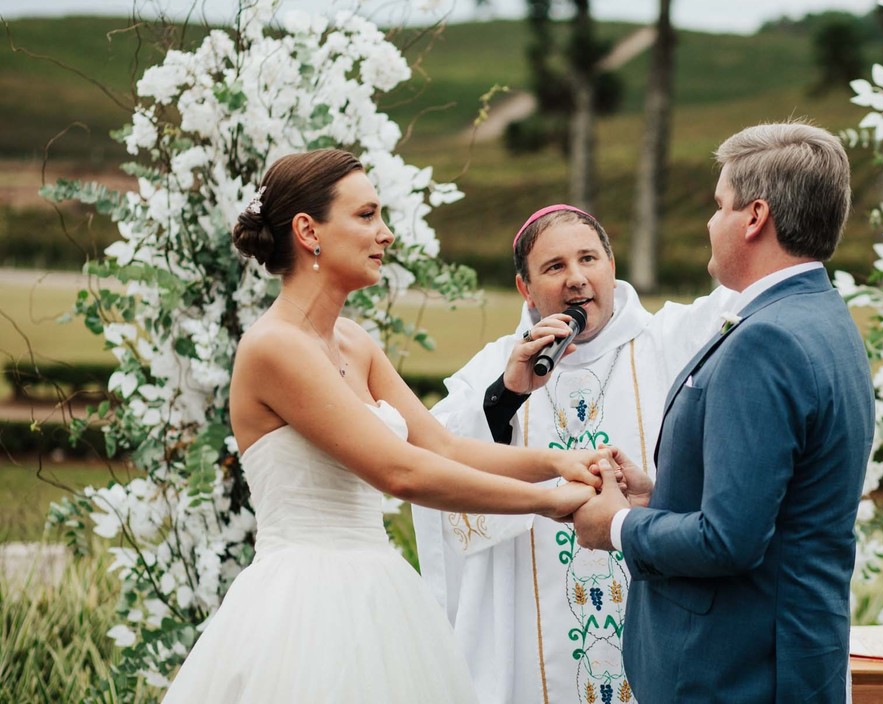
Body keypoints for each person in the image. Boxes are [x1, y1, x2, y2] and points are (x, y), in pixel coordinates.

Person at [161, 149, 602, 704]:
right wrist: (550, 501)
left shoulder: (353, 340)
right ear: (308, 231)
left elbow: (442, 447)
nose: (386, 233)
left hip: (381, 590)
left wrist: (559, 462)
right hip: (305, 605)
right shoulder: (275, 347)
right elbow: (402, 472)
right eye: (367, 215)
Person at [574, 121, 875, 704]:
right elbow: (781, 502)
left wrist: (616, 525)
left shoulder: (767, 340)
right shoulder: (823, 316)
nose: (711, 223)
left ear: (755, 216)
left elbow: (728, 541)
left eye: (719, 206)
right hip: (790, 657)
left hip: (736, 674)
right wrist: (659, 494)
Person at [412, 205, 738, 704]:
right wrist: (506, 396)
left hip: (656, 603)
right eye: (554, 267)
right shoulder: (496, 366)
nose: (576, 279)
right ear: (525, 288)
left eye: (588, 259)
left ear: (612, 266)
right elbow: (438, 458)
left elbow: (751, 295)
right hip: (532, 622)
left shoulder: (670, 339)